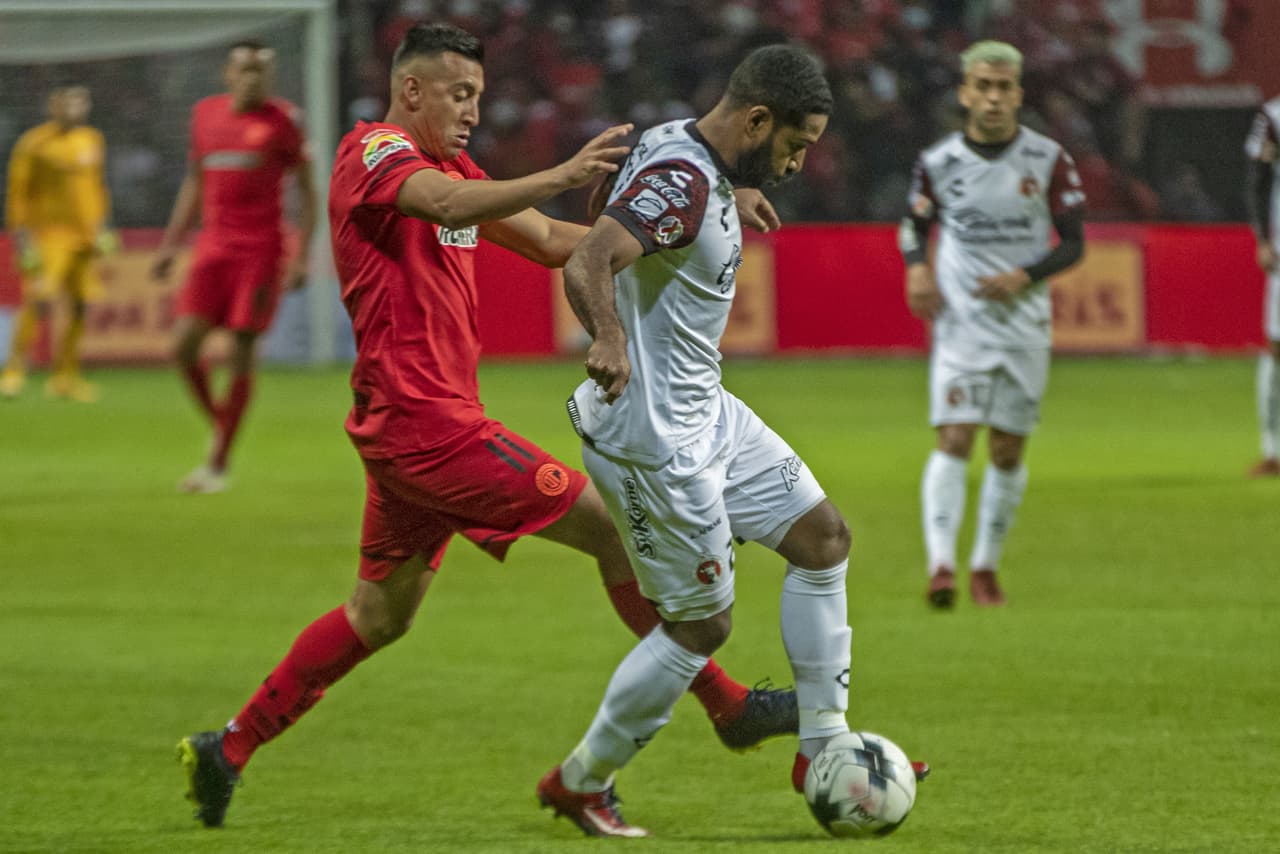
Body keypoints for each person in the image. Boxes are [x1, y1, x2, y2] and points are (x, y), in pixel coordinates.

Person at [175, 22, 796, 831]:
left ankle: (228, 747)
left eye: (478, 94)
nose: (473, 110)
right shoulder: (374, 154)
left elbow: (545, 240)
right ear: (411, 91)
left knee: (378, 617)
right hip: (432, 429)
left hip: (410, 433)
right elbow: (445, 203)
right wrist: (564, 171)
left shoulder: (453, 166)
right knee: (615, 533)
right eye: (459, 94)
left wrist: (703, 219)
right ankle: (728, 706)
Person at [537, 43, 914, 839]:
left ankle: (819, 748)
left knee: (823, 538)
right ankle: (581, 780)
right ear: (754, 118)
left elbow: (659, 194)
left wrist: (730, 195)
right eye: (794, 143)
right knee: (700, 628)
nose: (801, 159)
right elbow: (592, 256)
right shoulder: (680, 184)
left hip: (707, 413)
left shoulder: (688, 156)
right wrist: (608, 337)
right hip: (654, 441)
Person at [899, 41, 1087, 608]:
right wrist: (916, 271)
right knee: (954, 436)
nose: (993, 97)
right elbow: (912, 226)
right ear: (965, 92)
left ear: (1018, 94)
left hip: (1024, 324)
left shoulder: (1049, 159)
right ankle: (941, 567)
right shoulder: (938, 163)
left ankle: (985, 566)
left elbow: (1074, 243)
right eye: (983, 86)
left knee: (1006, 450)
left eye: (1004, 87)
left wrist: (1025, 275)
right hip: (960, 323)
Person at [151, 40, 317, 494]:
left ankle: (218, 462)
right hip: (213, 249)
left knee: (242, 350)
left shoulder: (284, 121)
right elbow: (194, 181)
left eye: (263, 70)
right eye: (245, 70)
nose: (254, 78)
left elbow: (307, 188)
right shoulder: (205, 114)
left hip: (261, 251)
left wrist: (302, 254)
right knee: (183, 347)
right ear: (228, 74)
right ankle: (224, 425)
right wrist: (171, 244)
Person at [1, 86, 115, 402]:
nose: (76, 107)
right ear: (54, 106)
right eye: (69, 101)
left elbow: (97, 188)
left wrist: (102, 228)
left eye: (81, 101)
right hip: (48, 237)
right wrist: (23, 240)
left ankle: (65, 377)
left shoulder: (92, 140)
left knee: (79, 304)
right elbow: (18, 194)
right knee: (38, 300)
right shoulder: (34, 144)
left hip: (85, 238)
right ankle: (13, 371)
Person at [1244, 94, 1280, 478]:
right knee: (1277, 347)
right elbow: (1257, 179)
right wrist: (1263, 239)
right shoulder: (1274, 117)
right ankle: (1273, 451)